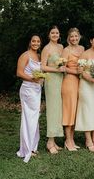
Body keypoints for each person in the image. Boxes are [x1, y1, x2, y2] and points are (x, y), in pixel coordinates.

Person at [75, 34, 94, 152]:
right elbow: (80, 70)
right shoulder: (85, 54)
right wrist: (90, 79)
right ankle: (88, 140)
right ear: (91, 41)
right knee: (87, 110)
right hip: (86, 86)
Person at [16, 35, 42, 163]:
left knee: (34, 118)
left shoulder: (38, 56)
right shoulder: (25, 55)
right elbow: (19, 73)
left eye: (38, 41)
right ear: (30, 42)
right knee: (28, 118)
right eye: (33, 41)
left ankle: (32, 146)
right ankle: (26, 149)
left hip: (37, 90)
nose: (35, 43)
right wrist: (33, 79)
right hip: (28, 89)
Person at [41, 25, 64, 154]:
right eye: (52, 33)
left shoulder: (61, 47)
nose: (55, 35)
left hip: (61, 80)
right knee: (52, 109)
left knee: (58, 109)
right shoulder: (46, 48)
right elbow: (43, 67)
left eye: (57, 32)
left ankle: (54, 139)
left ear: (59, 35)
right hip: (52, 81)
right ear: (49, 35)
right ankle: (49, 141)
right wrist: (57, 69)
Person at [61, 28, 84, 151]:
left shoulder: (82, 49)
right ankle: (68, 140)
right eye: (72, 37)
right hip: (69, 81)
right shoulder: (66, 50)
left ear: (79, 37)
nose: (74, 38)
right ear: (69, 38)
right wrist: (75, 71)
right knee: (69, 111)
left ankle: (72, 139)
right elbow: (62, 68)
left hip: (80, 82)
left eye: (76, 36)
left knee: (75, 111)